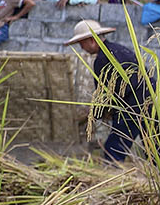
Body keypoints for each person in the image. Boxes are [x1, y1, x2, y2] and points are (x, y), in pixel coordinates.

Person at [63, 19, 153, 162]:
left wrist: (94, 113)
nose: (81, 48)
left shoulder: (103, 59)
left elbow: (108, 92)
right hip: (152, 97)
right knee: (154, 145)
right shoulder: (119, 49)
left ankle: (113, 175)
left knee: (114, 148)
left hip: (134, 104)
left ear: (91, 40)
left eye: (82, 43)